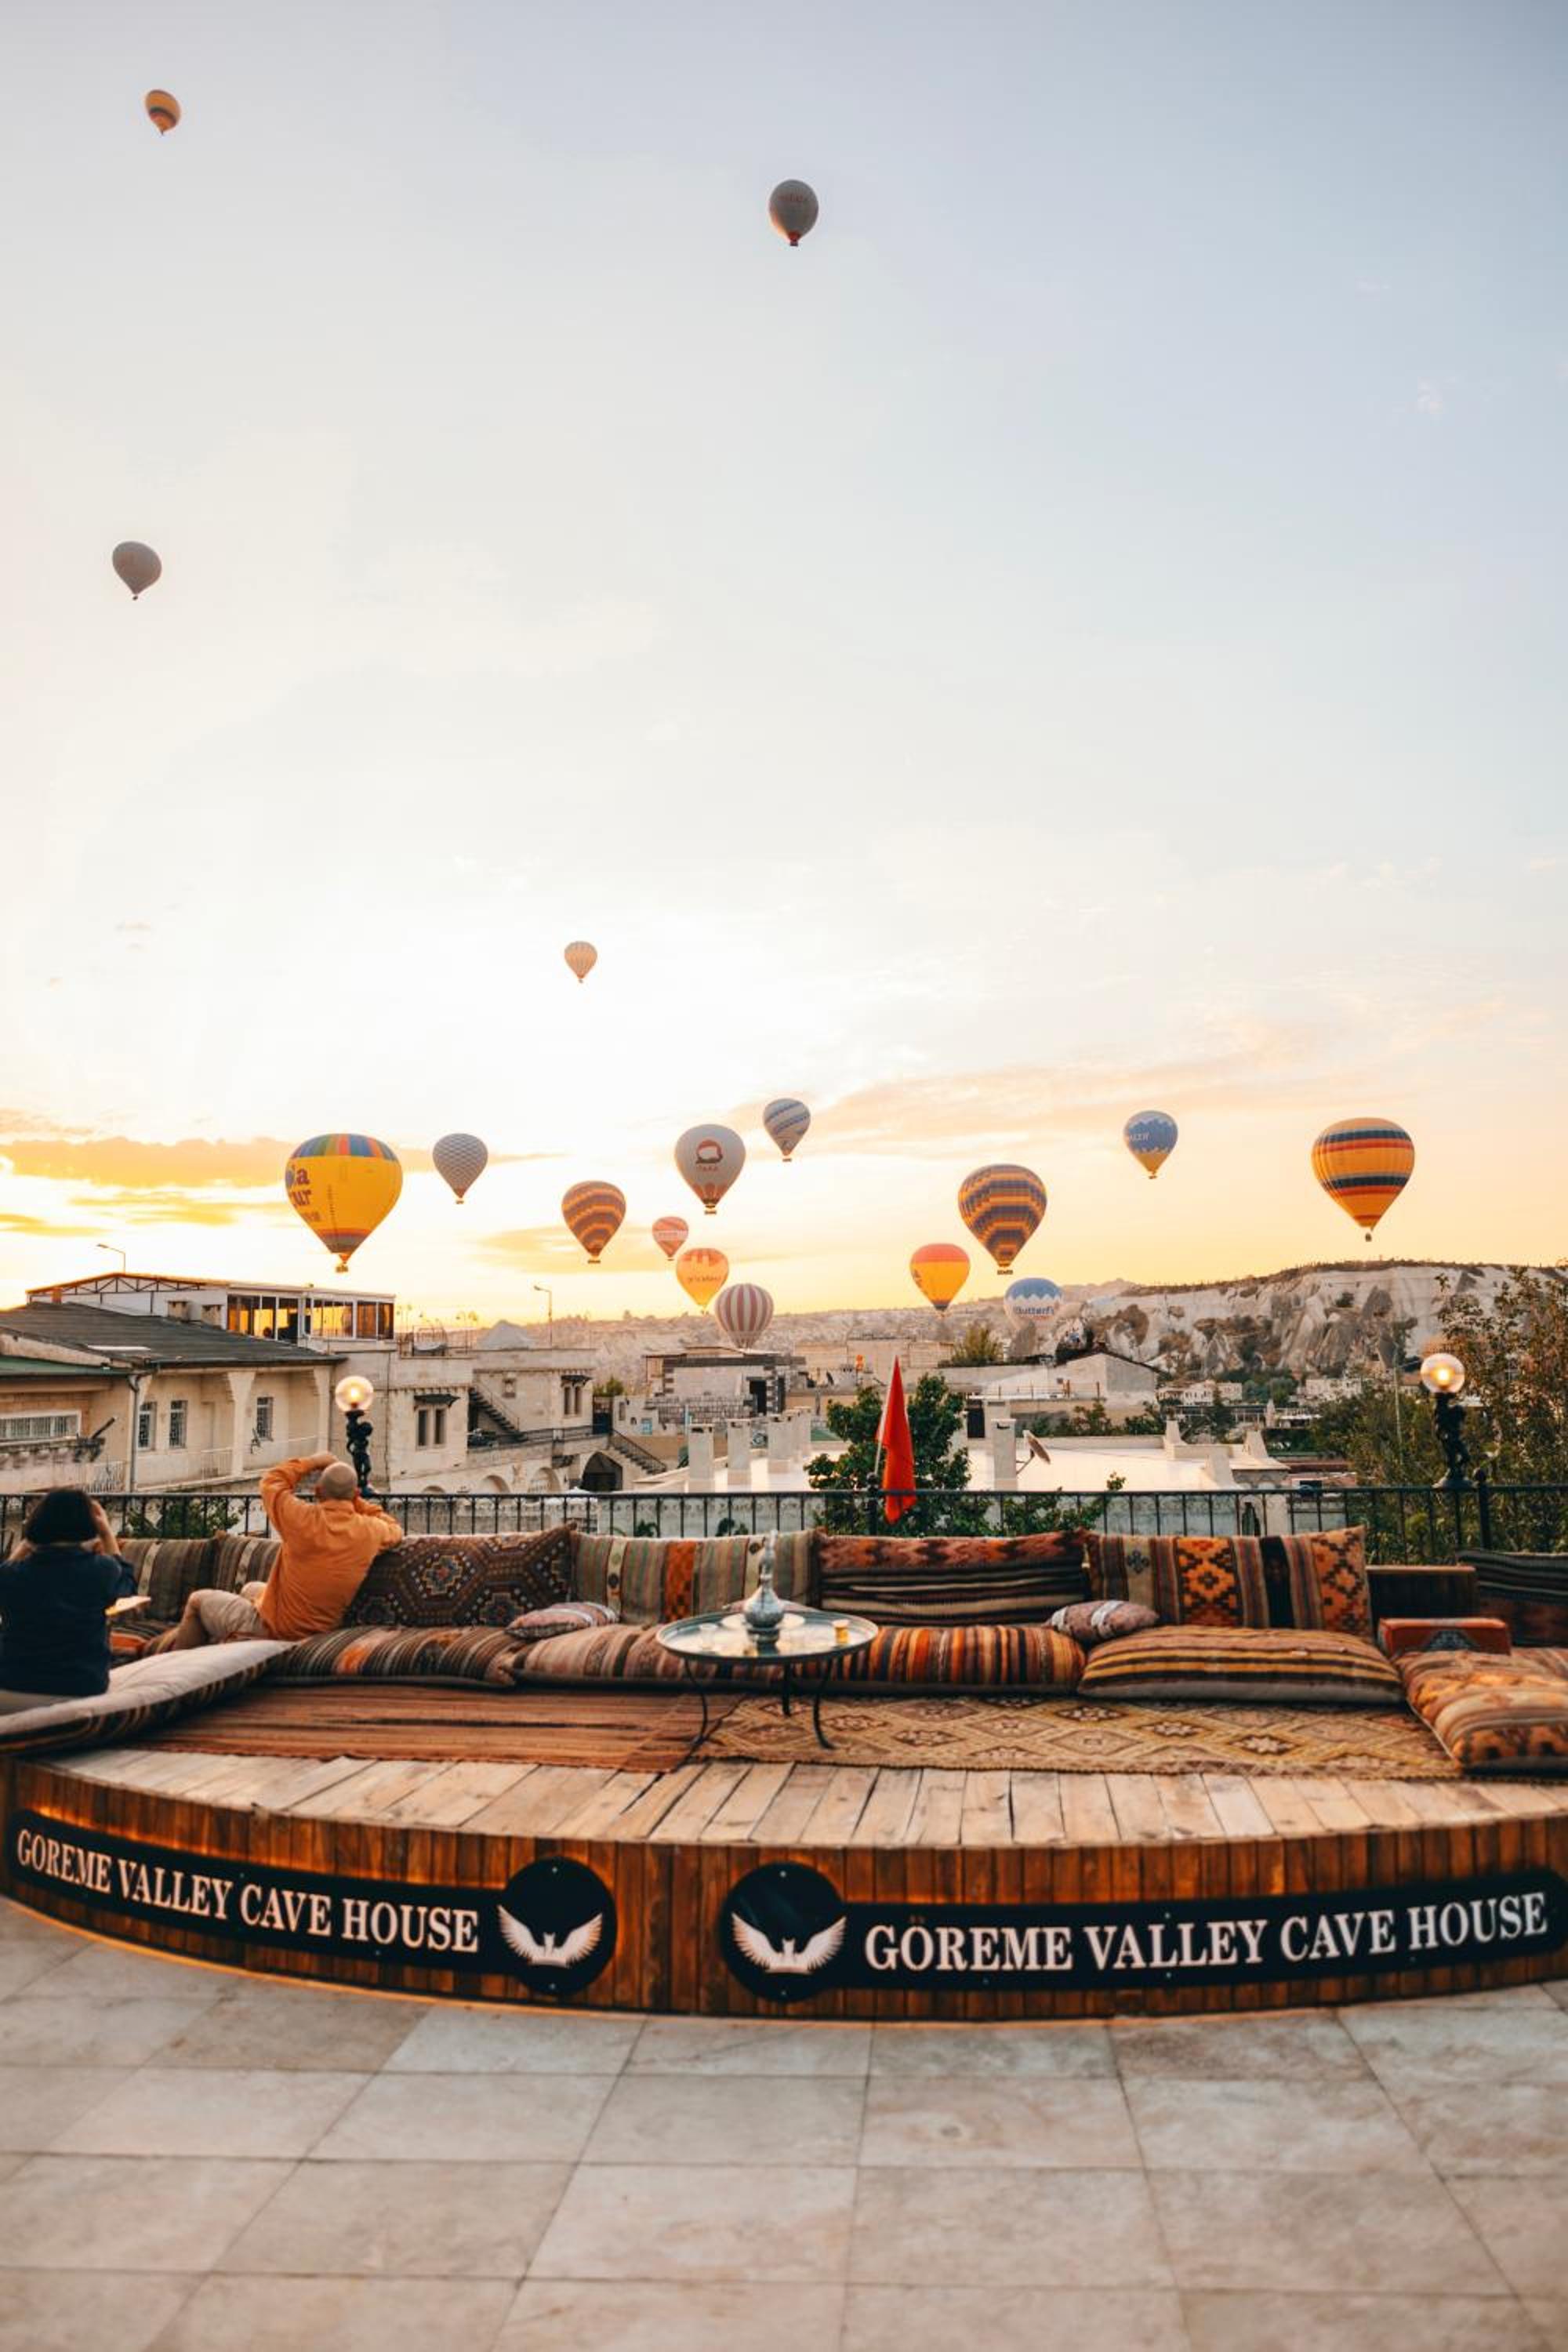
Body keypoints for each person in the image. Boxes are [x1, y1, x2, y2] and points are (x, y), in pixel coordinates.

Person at [169, 1453, 402, 1649]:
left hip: (277, 1630)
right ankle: (232, 1649)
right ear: (354, 1495)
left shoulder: (302, 1519)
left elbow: (272, 1481)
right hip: (321, 1627)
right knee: (252, 1588)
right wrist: (354, 1500)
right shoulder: (371, 1531)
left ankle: (176, 1671)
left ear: (319, 1492)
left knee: (197, 1601)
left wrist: (314, 1460)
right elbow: (394, 1527)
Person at [0, 1489, 137, 1711]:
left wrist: (27, 1544)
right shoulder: (102, 1570)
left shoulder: (12, 1575)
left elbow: (6, 1571)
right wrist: (106, 1534)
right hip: (79, 1689)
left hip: (11, 1689)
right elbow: (127, 1588)